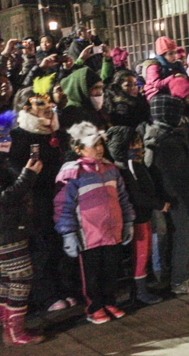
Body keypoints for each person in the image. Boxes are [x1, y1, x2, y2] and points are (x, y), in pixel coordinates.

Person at [54, 122, 135, 324]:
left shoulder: (110, 169)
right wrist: (68, 233)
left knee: (111, 270)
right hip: (88, 235)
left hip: (112, 232)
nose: (99, 149)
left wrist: (128, 222)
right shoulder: (73, 173)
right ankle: (94, 307)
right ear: (78, 149)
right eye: (93, 145)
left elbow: (123, 198)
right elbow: (63, 205)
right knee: (91, 275)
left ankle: (109, 302)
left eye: (100, 144)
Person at [9, 89, 76, 313]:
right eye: (39, 103)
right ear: (26, 108)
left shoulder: (57, 132)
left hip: (62, 197)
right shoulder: (19, 136)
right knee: (43, 247)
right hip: (37, 201)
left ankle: (66, 287)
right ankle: (46, 295)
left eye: (48, 102)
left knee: (62, 243)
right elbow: (16, 170)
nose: (47, 108)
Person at [0, 112, 45, 346]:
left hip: (5, 227)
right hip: (5, 228)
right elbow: (2, 197)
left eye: (6, 134)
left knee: (11, 277)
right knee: (20, 276)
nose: (4, 139)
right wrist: (28, 176)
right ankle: (15, 331)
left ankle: (9, 327)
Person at [148, 94, 189, 295]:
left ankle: (172, 277)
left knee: (174, 239)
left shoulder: (159, 135)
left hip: (167, 198)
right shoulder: (169, 141)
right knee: (184, 238)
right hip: (178, 199)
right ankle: (180, 279)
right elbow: (177, 177)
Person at [105, 126, 166, 305]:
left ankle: (141, 289)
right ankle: (140, 292)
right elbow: (136, 194)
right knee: (140, 253)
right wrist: (159, 204)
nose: (140, 146)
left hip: (141, 215)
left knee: (143, 252)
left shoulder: (132, 163)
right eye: (136, 142)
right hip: (137, 217)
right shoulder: (127, 166)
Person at [142, 36, 187, 102]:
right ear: (163, 55)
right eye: (171, 53)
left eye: (175, 52)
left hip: (169, 94)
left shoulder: (176, 65)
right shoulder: (154, 65)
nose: (175, 56)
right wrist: (174, 77)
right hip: (156, 96)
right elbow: (157, 84)